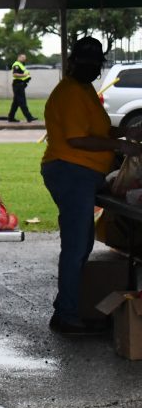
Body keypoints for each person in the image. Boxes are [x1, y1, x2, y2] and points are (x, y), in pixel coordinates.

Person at [42, 37, 142, 335]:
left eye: (94, 64)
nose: (89, 69)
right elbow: (78, 139)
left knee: (81, 242)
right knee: (76, 245)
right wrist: (120, 146)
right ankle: (67, 316)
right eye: (84, 63)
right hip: (71, 172)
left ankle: (66, 307)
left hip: (83, 173)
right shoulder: (69, 93)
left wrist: (126, 131)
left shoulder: (84, 90)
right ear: (72, 63)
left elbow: (96, 129)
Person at [8, 53, 37, 123]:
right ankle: (29, 117)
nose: (24, 59)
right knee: (22, 102)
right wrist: (24, 75)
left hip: (20, 85)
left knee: (15, 103)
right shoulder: (17, 65)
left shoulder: (21, 65)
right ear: (19, 57)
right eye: (23, 57)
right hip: (18, 85)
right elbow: (15, 74)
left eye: (25, 57)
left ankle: (11, 117)